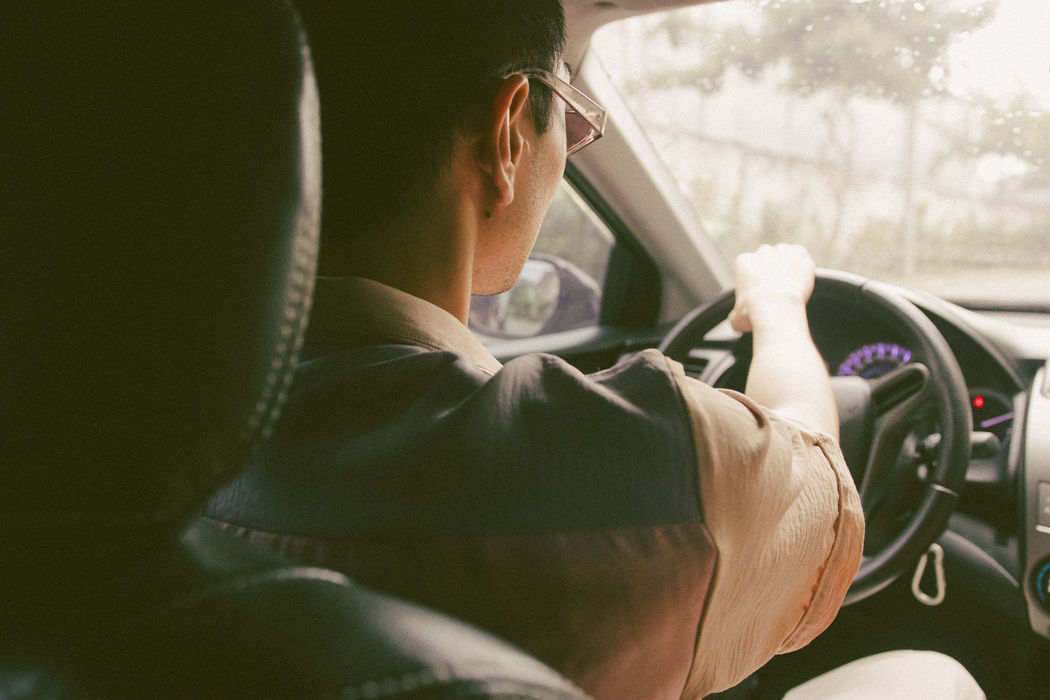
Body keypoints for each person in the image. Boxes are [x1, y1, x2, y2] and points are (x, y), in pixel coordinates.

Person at [205, 2, 975, 698]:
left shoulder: (145, 443)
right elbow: (815, 472)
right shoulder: (637, 453)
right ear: (506, 133)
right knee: (930, 676)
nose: (565, 151)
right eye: (567, 120)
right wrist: (776, 308)